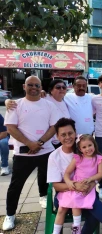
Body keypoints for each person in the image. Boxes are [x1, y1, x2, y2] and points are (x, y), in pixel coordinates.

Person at [2, 76, 59, 231]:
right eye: (30, 85)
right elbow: (11, 128)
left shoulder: (49, 105)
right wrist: (29, 144)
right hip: (23, 153)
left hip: (46, 151)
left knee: (51, 181)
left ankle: (48, 201)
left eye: (36, 85)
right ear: (24, 86)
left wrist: (39, 143)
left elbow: (54, 126)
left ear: (41, 87)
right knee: (15, 186)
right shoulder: (15, 105)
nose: (33, 87)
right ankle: (10, 214)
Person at [53, 134, 102, 233]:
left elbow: (100, 174)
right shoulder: (77, 158)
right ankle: (55, 232)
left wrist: (90, 179)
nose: (88, 149)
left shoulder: (99, 158)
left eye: (90, 145)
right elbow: (67, 173)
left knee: (75, 202)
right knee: (61, 208)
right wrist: (69, 182)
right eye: (84, 147)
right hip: (75, 185)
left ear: (94, 145)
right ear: (80, 149)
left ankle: (76, 228)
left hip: (86, 187)